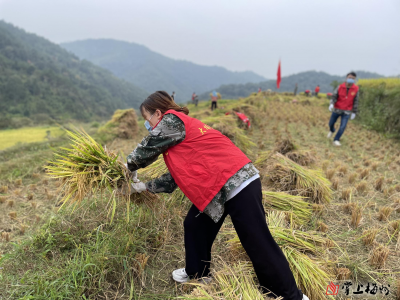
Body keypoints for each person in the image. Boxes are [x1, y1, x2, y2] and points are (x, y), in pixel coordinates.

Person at [125, 91, 308, 300]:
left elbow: (148, 146)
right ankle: (198, 273)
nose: (147, 125)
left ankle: (292, 296)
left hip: (238, 184)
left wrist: (128, 167)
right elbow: (176, 176)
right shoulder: (178, 134)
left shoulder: (171, 121)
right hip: (218, 188)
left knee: (257, 241)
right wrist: (145, 187)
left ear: (158, 113)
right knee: (194, 225)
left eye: (146, 119)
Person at [327, 72, 359, 146]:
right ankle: (332, 130)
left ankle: (336, 139)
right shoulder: (340, 87)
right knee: (331, 123)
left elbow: (356, 101)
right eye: (349, 78)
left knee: (343, 126)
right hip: (337, 109)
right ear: (346, 78)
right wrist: (332, 104)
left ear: (355, 80)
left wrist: (354, 112)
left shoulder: (356, 89)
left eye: (353, 78)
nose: (351, 79)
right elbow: (334, 96)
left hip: (347, 111)